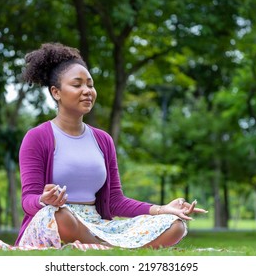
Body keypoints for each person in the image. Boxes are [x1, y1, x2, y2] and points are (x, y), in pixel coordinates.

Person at [15, 42, 207, 249]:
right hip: (55, 221)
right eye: (77, 84)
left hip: (98, 226)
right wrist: (44, 200)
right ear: (56, 92)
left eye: (90, 84)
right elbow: (28, 200)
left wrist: (163, 209)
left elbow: (115, 201)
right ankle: (114, 251)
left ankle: (102, 248)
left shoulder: (102, 140)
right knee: (61, 217)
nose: (87, 91)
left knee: (175, 225)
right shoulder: (37, 137)